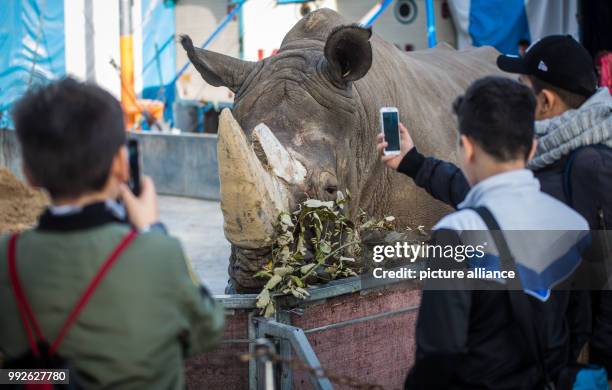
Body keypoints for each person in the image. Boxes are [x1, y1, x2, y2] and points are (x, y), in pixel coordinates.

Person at [380, 35, 612, 383]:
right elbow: (494, 195)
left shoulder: (589, 165)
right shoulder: (561, 180)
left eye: (522, 90)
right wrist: (414, 164)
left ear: (545, 102)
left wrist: (604, 366)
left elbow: (438, 356)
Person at [0, 78, 225, 389]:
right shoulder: (158, 253)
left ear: (28, 172)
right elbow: (210, 329)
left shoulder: (7, 256)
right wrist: (152, 229)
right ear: (122, 164)